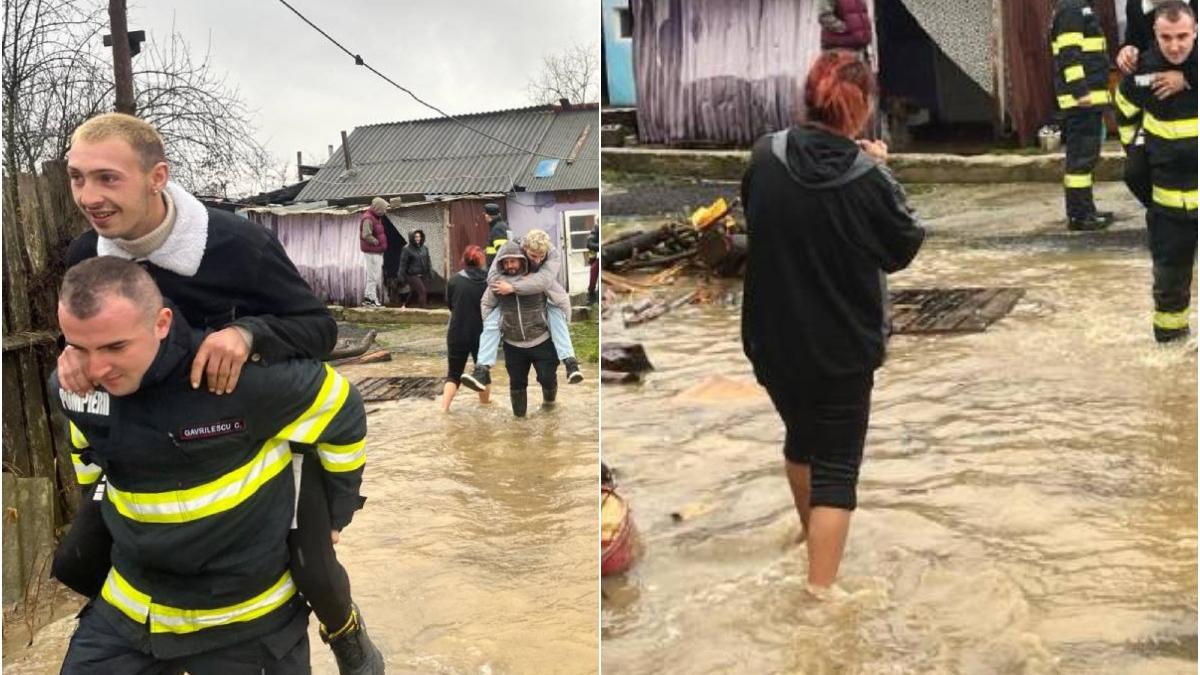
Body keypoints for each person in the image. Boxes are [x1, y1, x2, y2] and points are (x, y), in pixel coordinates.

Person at [53, 112, 382, 674]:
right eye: (77, 178)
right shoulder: (87, 253)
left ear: (157, 178)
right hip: (149, 436)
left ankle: (346, 634)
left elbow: (319, 330)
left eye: (108, 178)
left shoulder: (235, 243)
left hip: (255, 422)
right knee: (81, 557)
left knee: (312, 560)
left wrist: (248, 335)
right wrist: (74, 354)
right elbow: (86, 325)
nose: (89, 196)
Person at [740, 51, 925, 589]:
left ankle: (810, 539)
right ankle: (819, 598)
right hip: (841, 348)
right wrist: (883, 169)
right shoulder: (867, 178)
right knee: (838, 472)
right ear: (862, 108)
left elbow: (757, 215)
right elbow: (903, 246)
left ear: (807, 99)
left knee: (801, 440)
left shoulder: (765, 155)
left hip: (772, 340)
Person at [1114, 1, 1197, 342]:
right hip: (1168, 209)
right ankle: (1170, 355)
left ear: (1195, 32)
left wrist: (1188, 79)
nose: (1175, 46)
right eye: (1167, 38)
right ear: (1155, 35)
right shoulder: (1143, 74)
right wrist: (1136, 149)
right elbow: (1124, 107)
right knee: (1169, 291)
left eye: (1183, 37)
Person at [460, 229, 583, 392]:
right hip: (513, 336)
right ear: (523, 250)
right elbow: (491, 280)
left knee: (555, 314)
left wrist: (513, 286)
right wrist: (498, 325)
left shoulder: (552, 255)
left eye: (541, 256)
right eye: (533, 256)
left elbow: (543, 282)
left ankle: (570, 362)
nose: (538, 261)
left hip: (543, 316)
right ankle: (481, 370)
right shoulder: (510, 250)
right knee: (492, 321)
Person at [1115, 0, 1197, 208]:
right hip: (1158, 99)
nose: (1174, 45)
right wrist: (1128, 50)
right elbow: (1135, 41)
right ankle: (1160, 212)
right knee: (1135, 172)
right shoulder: (1135, 6)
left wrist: (1188, 78)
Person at [1051, 0, 1116, 231]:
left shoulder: (1078, 7)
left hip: (1088, 100)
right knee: (1081, 160)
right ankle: (1080, 215)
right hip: (1082, 101)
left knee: (1085, 158)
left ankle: (1086, 209)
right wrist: (1080, 91)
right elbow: (1069, 53)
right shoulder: (1072, 8)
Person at [482, 241, 563, 417]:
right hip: (513, 343)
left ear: (522, 261)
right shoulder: (498, 283)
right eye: (506, 262)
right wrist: (495, 327)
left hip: (541, 339)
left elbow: (559, 298)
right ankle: (519, 422)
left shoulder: (538, 280)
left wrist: (563, 322)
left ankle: (549, 405)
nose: (509, 266)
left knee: (547, 378)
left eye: (513, 261)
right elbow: (486, 304)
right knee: (517, 384)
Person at [442, 245, 491, 411]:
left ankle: (444, 410)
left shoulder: (454, 280)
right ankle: (485, 406)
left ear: (464, 260)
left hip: (457, 332)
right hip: (481, 334)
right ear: (481, 261)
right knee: (483, 373)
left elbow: (450, 305)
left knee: (453, 374)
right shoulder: (489, 282)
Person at [360, 197, 390, 307]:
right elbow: (366, 235)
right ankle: (371, 299)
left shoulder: (376, 217)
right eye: (384, 208)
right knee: (373, 276)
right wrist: (376, 242)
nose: (385, 211)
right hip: (372, 251)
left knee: (374, 276)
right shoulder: (368, 218)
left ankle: (369, 298)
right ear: (378, 208)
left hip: (376, 251)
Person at [399, 229, 433, 308]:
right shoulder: (407, 249)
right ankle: (423, 310)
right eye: (415, 237)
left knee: (414, 292)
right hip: (411, 274)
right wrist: (401, 276)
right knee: (422, 291)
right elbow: (403, 263)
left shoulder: (424, 248)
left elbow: (428, 261)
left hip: (422, 273)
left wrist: (430, 271)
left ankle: (405, 306)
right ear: (412, 238)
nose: (417, 238)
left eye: (419, 237)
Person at [483, 202, 510, 268]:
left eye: (485, 214)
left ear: (487, 216)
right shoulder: (501, 226)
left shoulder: (498, 228)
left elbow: (502, 251)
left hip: (497, 268)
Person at [586, 224, 600, 306]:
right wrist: (600, 247)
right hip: (599, 256)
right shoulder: (597, 228)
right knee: (594, 269)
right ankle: (591, 292)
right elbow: (589, 243)